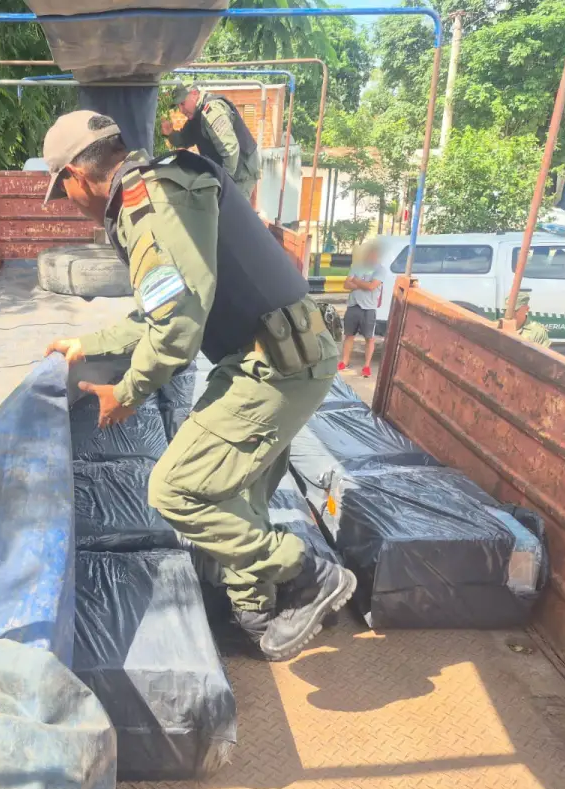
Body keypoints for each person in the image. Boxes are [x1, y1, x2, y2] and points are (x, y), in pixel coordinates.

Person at [40, 110, 356, 662]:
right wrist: (86, 346)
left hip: (276, 367)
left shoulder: (150, 206)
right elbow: (163, 311)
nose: (69, 202)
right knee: (235, 490)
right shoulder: (166, 182)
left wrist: (128, 391)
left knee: (176, 489)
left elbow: (177, 333)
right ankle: (257, 614)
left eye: (62, 190)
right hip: (275, 355)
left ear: (75, 174)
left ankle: (306, 573)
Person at [161, 84, 261, 202]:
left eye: (182, 104)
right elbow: (184, 139)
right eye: (178, 106)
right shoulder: (197, 116)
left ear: (194, 94)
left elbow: (230, 150)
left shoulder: (211, 111)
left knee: (232, 213)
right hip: (228, 170)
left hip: (241, 171)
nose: (181, 110)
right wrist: (170, 133)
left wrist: (224, 183)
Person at [339, 239, 384, 379]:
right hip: (353, 305)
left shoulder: (380, 270)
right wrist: (363, 284)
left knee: (369, 338)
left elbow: (372, 287)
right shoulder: (356, 266)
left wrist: (357, 281)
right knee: (349, 335)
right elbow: (346, 285)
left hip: (368, 309)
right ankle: (344, 362)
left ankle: (366, 366)